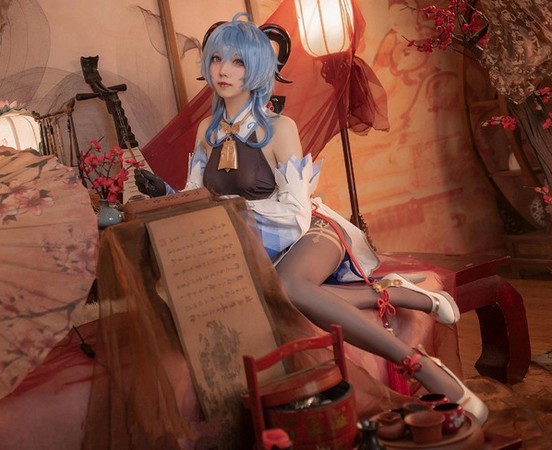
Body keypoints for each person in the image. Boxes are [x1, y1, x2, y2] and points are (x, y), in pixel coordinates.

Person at [135, 13, 488, 424]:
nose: (224, 71)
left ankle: (423, 368)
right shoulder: (205, 132)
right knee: (275, 297)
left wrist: (233, 214)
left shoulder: (279, 128)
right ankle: (394, 293)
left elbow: (294, 214)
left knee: (287, 287)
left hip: (310, 232)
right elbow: (198, 199)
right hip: (246, 243)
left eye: (238, 61)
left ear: (257, 68)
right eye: (216, 59)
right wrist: (165, 194)